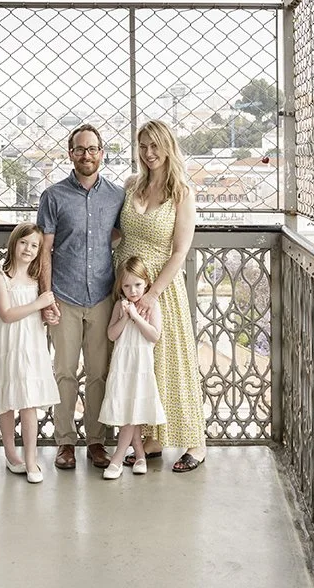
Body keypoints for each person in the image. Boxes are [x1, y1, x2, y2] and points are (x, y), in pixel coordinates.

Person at [117, 119, 207, 473]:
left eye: (155, 146)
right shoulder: (130, 185)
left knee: (171, 363)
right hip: (127, 282)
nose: (149, 153)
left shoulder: (181, 192)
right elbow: (116, 233)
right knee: (141, 365)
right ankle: (151, 440)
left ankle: (195, 442)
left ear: (168, 147)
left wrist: (153, 294)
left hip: (160, 289)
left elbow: (180, 251)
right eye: (143, 146)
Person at [37, 123, 124, 470]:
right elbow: (45, 250)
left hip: (103, 295)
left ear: (102, 153)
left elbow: (119, 235)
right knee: (65, 372)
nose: (86, 155)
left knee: (100, 372)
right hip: (64, 295)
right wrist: (46, 296)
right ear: (70, 154)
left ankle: (97, 440)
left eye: (92, 149)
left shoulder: (117, 195)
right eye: (79, 149)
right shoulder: (53, 196)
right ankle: (64, 442)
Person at [0, 222, 59, 484]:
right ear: (14, 243)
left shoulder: (38, 280)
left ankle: (30, 458)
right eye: (24, 242)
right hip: (8, 346)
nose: (28, 249)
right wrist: (38, 303)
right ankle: (10, 453)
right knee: (7, 400)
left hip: (31, 347)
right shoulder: (0, 278)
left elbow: (41, 314)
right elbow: (6, 314)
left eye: (35, 245)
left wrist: (48, 313)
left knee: (29, 402)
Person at [98, 256, 165, 480]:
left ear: (146, 282)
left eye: (137, 284)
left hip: (140, 367)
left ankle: (117, 458)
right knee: (129, 411)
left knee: (132, 412)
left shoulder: (152, 306)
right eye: (127, 286)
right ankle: (139, 455)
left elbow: (154, 336)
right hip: (122, 366)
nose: (132, 290)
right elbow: (111, 334)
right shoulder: (120, 305)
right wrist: (125, 317)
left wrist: (136, 316)